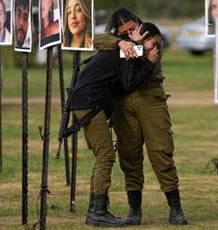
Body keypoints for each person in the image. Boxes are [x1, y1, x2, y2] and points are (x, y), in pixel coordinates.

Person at [94, 8, 188, 226]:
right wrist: (120, 43)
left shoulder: (149, 32)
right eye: (124, 32)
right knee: (129, 155)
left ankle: (176, 209)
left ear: (138, 22)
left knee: (161, 151)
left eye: (132, 28)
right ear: (116, 32)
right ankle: (134, 210)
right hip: (124, 102)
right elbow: (96, 41)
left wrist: (131, 45)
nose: (130, 33)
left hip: (150, 97)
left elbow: (150, 48)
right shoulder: (120, 42)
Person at [68, 23, 160, 227]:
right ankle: (98, 211)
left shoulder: (127, 48)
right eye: (155, 43)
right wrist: (150, 64)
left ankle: (96, 208)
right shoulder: (128, 49)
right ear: (143, 38)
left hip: (85, 100)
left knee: (103, 154)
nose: (156, 49)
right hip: (89, 101)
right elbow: (129, 83)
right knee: (106, 155)